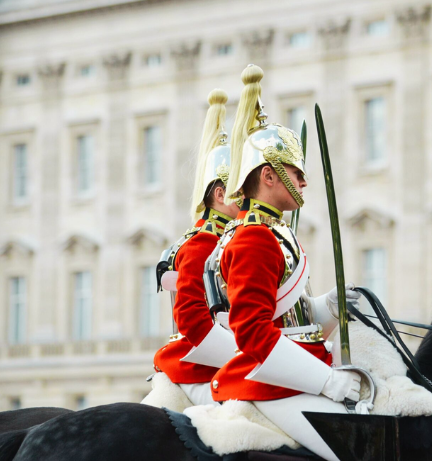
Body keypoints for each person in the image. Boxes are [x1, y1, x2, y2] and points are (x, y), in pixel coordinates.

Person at [205, 65, 360, 461]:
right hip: (273, 381)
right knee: (363, 447)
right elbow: (254, 333)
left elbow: (293, 316)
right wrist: (327, 381)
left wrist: (335, 304)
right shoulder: (255, 237)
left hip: (295, 369)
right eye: (297, 172)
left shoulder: (275, 232)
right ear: (270, 177)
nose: (305, 182)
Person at [152, 89, 240, 407]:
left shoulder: (224, 240)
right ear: (219, 195)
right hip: (199, 367)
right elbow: (191, 318)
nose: (247, 201)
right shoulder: (204, 243)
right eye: (239, 193)